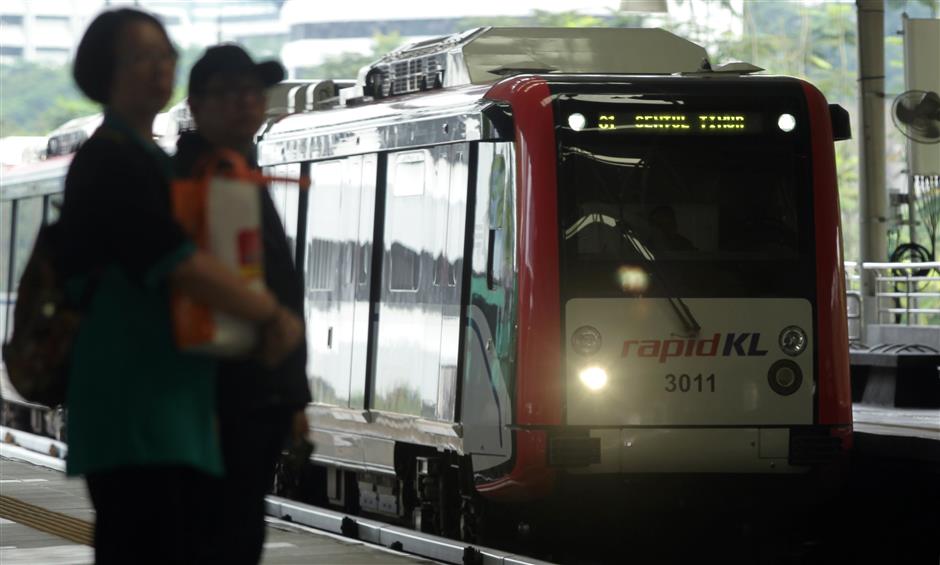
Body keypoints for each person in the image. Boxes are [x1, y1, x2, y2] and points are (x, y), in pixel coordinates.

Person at [61, 10, 303, 564]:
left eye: (165, 55)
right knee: (143, 543)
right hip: (130, 401)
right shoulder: (111, 161)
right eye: (140, 57)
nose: (159, 68)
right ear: (104, 71)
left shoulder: (145, 156)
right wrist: (270, 316)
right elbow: (179, 262)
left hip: (164, 400)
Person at [175, 44, 312, 565]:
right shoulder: (191, 178)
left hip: (254, 396)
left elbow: (275, 282)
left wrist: (292, 398)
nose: (245, 104)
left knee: (238, 531)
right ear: (195, 104)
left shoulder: (240, 169)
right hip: (213, 399)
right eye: (227, 93)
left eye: (253, 93)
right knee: (216, 534)